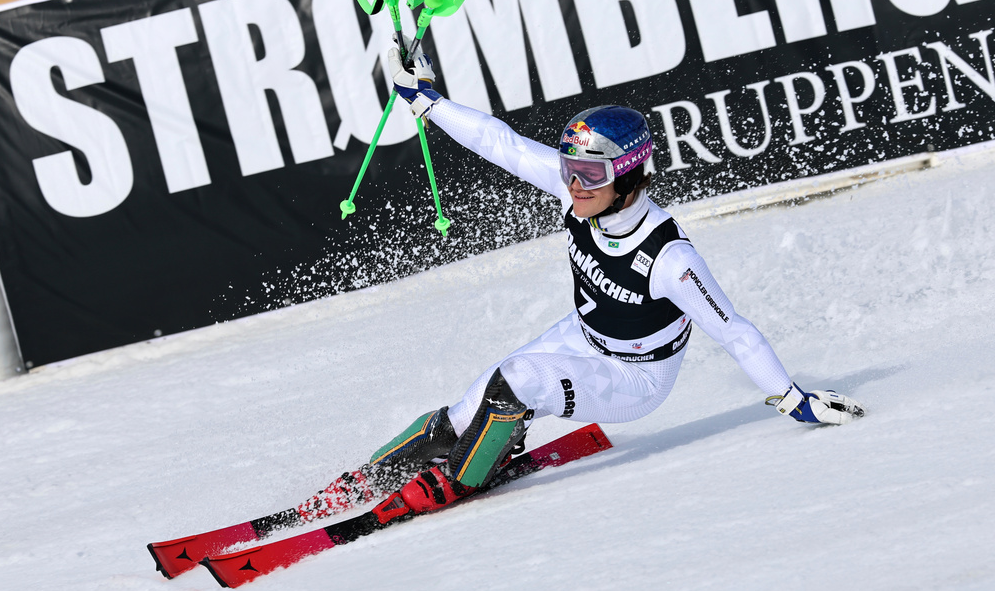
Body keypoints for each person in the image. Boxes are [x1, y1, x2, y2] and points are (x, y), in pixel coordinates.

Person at [342, 42, 865, 517]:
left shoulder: (669, 258)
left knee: (518, 381)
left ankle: (459, 480)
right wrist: (427, 100)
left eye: (590, 174)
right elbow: (503, 143)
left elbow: (735, 331)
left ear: (630, 174)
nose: (574, 184)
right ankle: (371, 476)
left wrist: (796, 401)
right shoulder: (580, 189)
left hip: (635, 377)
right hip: (583, 334)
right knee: (469, 407)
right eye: (570, 168)